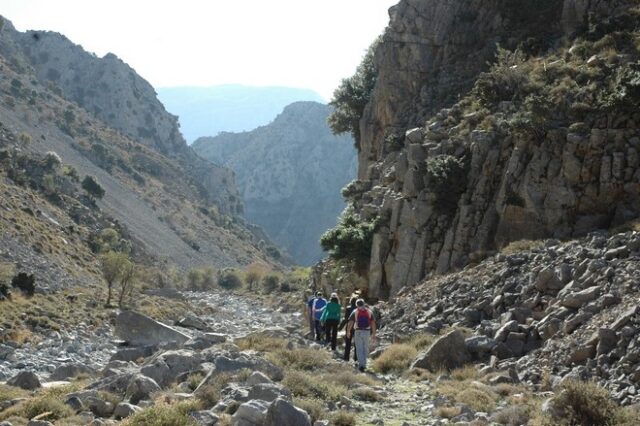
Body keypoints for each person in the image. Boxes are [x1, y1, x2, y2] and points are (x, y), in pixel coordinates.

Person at [346, 298, 376, 372]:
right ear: (364, 303)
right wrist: (374, 333)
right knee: (365, 347)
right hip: (367, 331)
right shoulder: (369, 311)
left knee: (359, 348)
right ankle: (364, 364)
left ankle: (361, 365)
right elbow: (373, 323)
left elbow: (351, 322)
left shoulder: (355, 311)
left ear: (356, 305)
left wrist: (348, 331)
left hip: (358, 331)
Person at [339, 296, 358, 362]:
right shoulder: (359, 309)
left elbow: (346, 319)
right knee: (356, 344)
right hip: (357, 328)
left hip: (349, 327)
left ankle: (346, 357)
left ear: (351, 301)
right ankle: (356, 358)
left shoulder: (348, 308)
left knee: (348, 343)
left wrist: (340, 327)